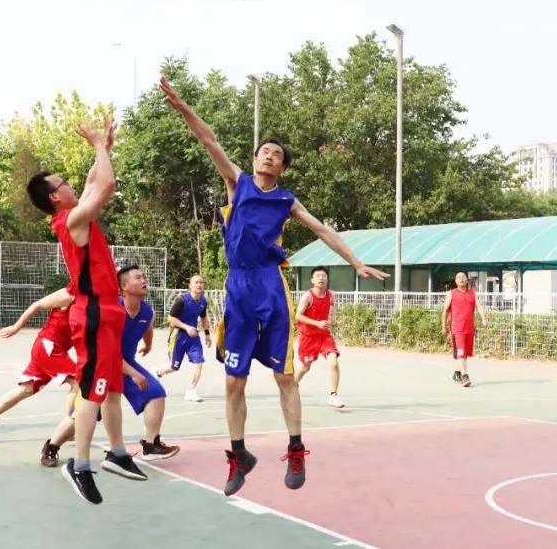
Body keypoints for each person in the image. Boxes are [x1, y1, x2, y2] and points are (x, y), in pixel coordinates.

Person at [160, 77, 388, 497]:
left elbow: (323, 229)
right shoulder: (238, 182)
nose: (269, 155)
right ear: (254, 159)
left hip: (269, 284)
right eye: (264, 151)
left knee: (285, 376)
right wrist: (183, 108)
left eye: (277, 154)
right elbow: (209, 140)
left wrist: (355, 261)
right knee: (234, 381)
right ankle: (239, 456)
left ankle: (296, 449)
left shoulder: (286, 201)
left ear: (281, 167)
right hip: (238, 287)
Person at [26, 116, 137, 505]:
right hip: (92, 312)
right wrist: (99, 147)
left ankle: (117, 452)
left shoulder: (74, 212)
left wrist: (105, 146)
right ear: (55, 197)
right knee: (92, 392)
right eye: (63, 184)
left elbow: (93, 181)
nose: (72, 185)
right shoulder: (71, 219)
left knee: (110, 387)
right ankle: (80, 463)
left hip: (106, 310)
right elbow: (106, 185)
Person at [46, 265, 180, 467]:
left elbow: (147, 327)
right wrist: (133, 373)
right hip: (103, 364)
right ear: (124, 286)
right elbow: (109, 351)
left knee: (155, 393)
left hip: (127, 363)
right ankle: (51, 447)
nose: (144, 280)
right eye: (138, 278)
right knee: (81, 416)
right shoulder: (112, 310)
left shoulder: (147, 311)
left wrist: (148, 344)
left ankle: (151, 445)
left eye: (144, 277)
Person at [0, 287, 77, 447]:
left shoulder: (90, 300)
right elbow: (37, 305)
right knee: (78, 381)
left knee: (27, 389)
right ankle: (69, 429)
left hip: (51, 348)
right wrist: (16, 327)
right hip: (48, 346)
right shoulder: (68, 294)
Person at [294, 266, 344, 409]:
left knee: (334, 363)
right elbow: (298, 316)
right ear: (312, 280)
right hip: (308, 337)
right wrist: (317, 323)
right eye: (318, 276)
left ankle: (333, 395)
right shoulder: (308, 296)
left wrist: (333, 317)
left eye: (324, 276)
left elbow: (333, 305)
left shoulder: (331, 295)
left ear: (327, 279)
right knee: (305, 367)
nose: (321, 278)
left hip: (324, 336)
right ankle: (291, 387)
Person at [156, 274, 211, 402]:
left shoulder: (203, 301)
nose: (199, 284)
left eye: (201, 282)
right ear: (190, 285)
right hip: (178, 336)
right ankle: (157, 372)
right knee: (173, 367)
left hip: (193, 337)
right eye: (196, 282)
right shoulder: (181, 300)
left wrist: (207, 333)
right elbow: (171, 318)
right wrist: (186, 327)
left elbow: (203, 317)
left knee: (198, 361)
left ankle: (191, 390)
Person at [441, 271, 489, 387]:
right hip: (457, 328)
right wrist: (444, 326)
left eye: (463, 277)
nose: (461, 279)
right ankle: (465, 376)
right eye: (458, 277)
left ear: (467, 279)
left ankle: (457, 373)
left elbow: (479, 306)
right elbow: (445, 311)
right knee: (461, 352)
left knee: (464, 354)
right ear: (455, 281)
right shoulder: (451, 293)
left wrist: (483, 318)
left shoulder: (472, 293)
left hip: (469, 328)